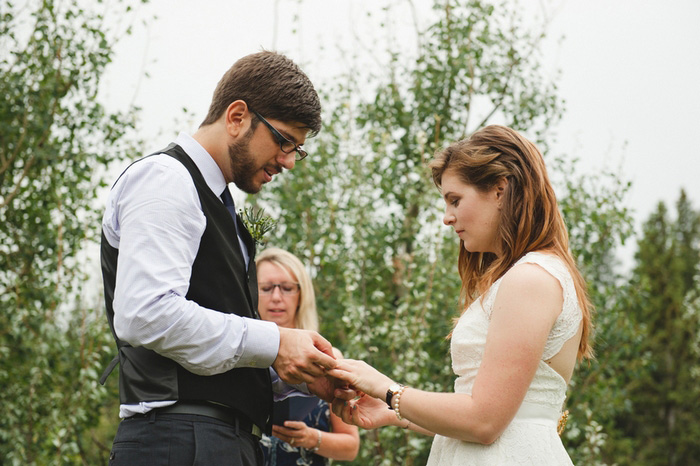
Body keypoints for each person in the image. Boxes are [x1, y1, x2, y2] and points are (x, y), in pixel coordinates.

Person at [100, 51, 339, 466]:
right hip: (179, 440)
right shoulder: (167, 180)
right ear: (237, 117)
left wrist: (293, 374)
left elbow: (214, 339)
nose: (287, 162)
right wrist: (277, 340)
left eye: (296, 151)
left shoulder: (219, 203)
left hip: (215, 442)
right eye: (283, 141)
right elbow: (145, 314)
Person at [329, 125, 594, 465]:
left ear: (499, 190)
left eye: (455, 199)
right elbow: (491, 413)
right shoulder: (525, 276)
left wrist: (388, 388)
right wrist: (393, 411)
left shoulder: (531, 278)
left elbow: (485, 422)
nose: (446, 217)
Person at [255, 248, 359, 465]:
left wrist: (312, 438)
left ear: (301, 295)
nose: (276, 297)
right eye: (265, 288)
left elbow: (351, 446)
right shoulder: (238, 357)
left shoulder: (327, 358)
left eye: (286, 288)